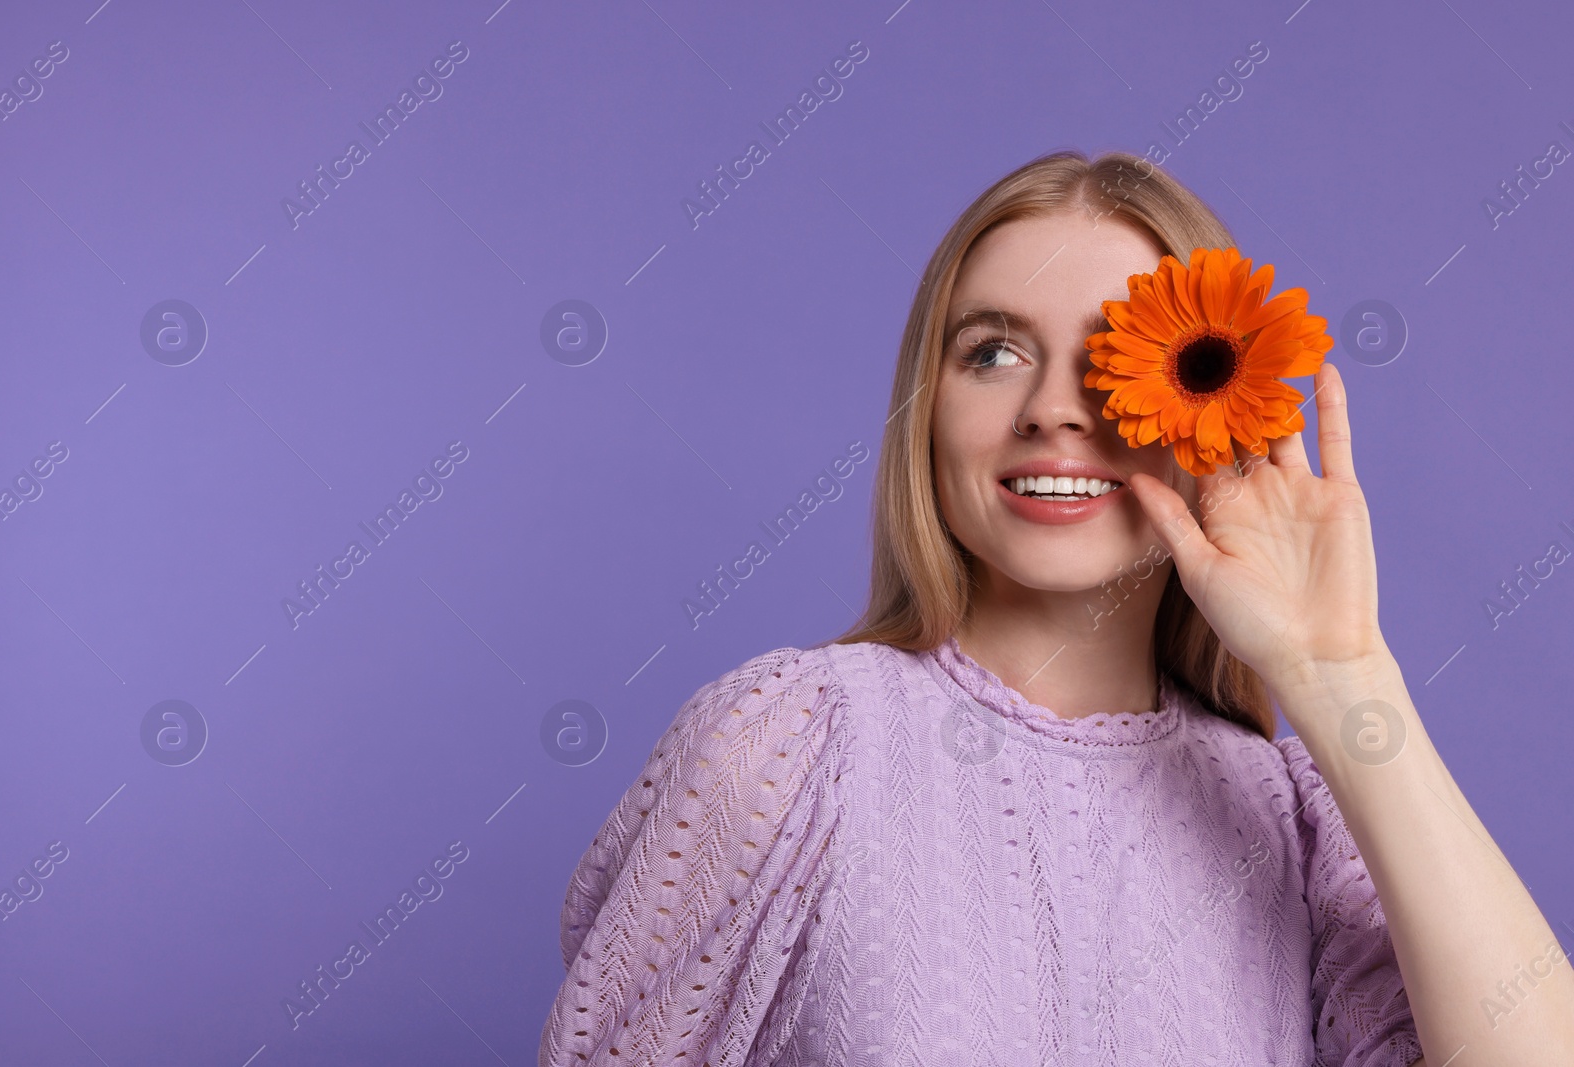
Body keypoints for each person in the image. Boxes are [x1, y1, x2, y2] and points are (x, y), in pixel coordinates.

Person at [536, 150, 1574, 1066]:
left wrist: (1341, 675)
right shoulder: (785, 744)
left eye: (1119, 355)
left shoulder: (1293, 819)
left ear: (1211, 412)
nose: (1053, 407)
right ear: (926, 410)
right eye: (991, 350)